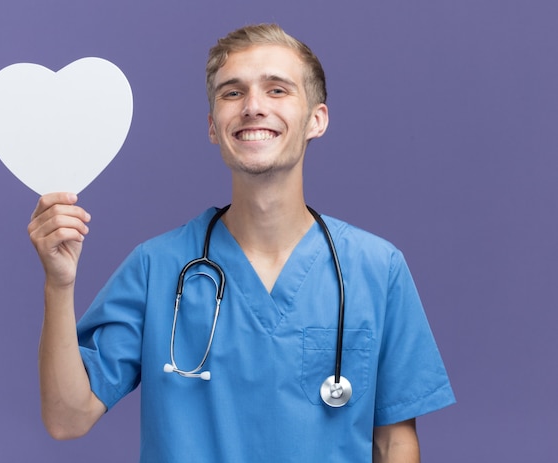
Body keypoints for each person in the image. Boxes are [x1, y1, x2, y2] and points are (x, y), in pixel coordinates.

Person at [28, 23, 455, 462]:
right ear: (214, 127)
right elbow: (67, 418)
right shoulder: (156, 267)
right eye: (233, 93)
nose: (253, 107)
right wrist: (58, 285)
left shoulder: (376, 269)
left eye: (277, 90)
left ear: (316, 120)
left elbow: (393, 441)